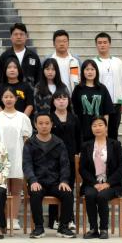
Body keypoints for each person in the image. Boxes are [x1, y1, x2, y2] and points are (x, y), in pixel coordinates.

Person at [23, 113, 77, 238]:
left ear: (52, 124)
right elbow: (27, 164)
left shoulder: (59, 143)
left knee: (67, 193)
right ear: (35, 125)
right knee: (35, 193)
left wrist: (64, 181)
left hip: (55, 182)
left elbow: (65, 164)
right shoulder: (30, 143)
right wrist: (32, 180)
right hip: (38, 181)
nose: (44, 126)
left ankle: (63, 227)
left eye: (47, 123)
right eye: (41, 123)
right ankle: (39, 228)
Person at [0, 86, 33, 229]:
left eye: (11, 97)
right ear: (2, 99)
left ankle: (13, 219)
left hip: (18, 156)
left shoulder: (23, 117)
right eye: (6, 97)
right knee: (1, 190)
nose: (8, 99)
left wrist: (26, 159)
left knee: (16, 190)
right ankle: (3, 219)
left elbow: (27, 140)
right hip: (0, 157)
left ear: (16, 99)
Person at [79, 117, 122, 239]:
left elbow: (121, 167)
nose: (97, 128)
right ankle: (93, 229)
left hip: (112, 184)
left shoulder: (115, 144)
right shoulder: (86, 145)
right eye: (94, 125)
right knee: (90, 195)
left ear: (106, 127)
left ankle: (104, 229)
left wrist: (107, 183)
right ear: (91, 128)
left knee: (102, 196)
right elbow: (82, 169)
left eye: (100, 125)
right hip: (92, 183)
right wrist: (94, 183)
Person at [50, 91, 80, 230]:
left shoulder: (74, 118)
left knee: (69, 188)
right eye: (58, 99)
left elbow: (79, 138)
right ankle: (54, 219)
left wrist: (78, 154)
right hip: (52, 159)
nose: (61, 101)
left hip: (71, 158)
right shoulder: (49, 118)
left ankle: (69, 219)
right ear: (53, 101)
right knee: (54, 188)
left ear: (68, 101)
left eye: (64, 98)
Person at [93, 33, 122, 140]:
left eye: (105, 42)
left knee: (113, 131)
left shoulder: (118, 62)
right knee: (99, 132)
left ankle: (113, 150)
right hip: (99, 104)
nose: (102, 45)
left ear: (109, 44)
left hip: (115, 103)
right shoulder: (93, 63)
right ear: (96, 45)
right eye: (99, 43)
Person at [71, 60, 115, 142]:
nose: (90, 72)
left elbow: (106, 112)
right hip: (82, 129)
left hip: (99, 129)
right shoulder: (78, 89)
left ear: (96, 71)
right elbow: (73, 110)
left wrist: (105, 129)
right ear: (83, 72)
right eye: (87, 69)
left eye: (92, 69)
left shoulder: (102, 88)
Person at [0, 23, 41, 88]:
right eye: (16, 34)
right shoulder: (4, 57)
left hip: (29, 93)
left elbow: (39, 79)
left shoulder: (33, 57)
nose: (18, 37)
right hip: (9, 93)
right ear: (11, 37)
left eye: (21, 34)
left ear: (26, 36)